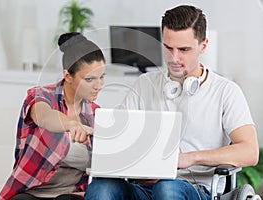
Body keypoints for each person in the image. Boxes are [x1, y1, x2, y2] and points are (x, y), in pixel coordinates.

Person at [84, 5, 259, 200]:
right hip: (144, 187)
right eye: (168, 48)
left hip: (195, 189)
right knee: (102, 186)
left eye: (184, 49)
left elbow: (249, 151)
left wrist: (189, 159)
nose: (174, 58)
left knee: (167, 188)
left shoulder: (226, 91)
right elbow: (121, 138)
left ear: (203, 45)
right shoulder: (144, 84)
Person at [0, 32, 106, 200]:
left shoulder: (96, 114)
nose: (98, 86)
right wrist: (71, 124)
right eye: (90, 79)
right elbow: (45, 116)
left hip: (70, 195)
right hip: (32, 193)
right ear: (68, 76)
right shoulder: (41, 96)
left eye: (102, 77)